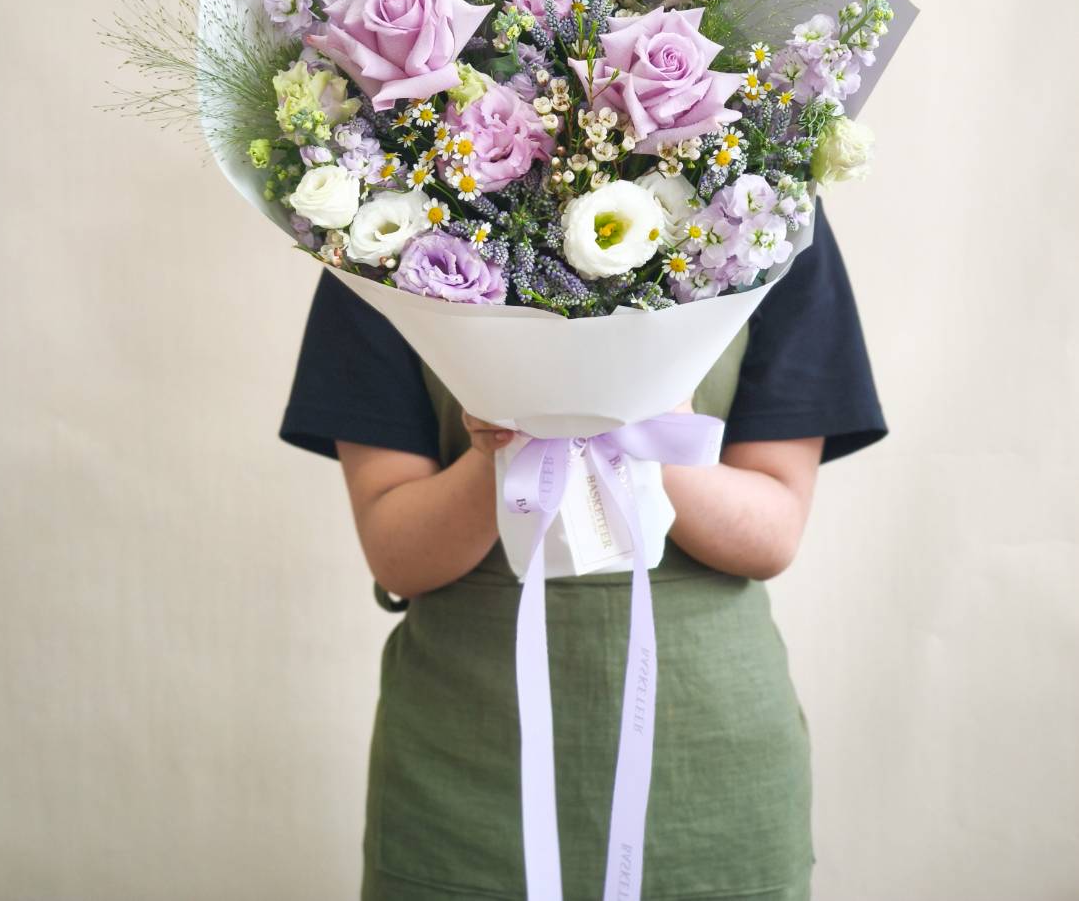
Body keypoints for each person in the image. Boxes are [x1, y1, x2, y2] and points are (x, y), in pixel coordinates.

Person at [279, 195, 887, 901]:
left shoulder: (761, 202)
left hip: (708, 769)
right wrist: (507, 435)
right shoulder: (380, 212)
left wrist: (643, 415)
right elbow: (396, 552)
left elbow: (773, 529)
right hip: (463, 766)